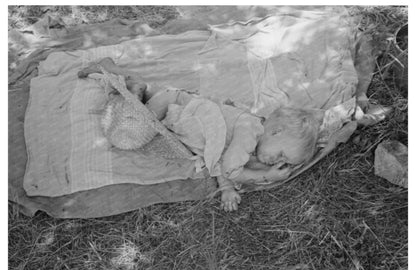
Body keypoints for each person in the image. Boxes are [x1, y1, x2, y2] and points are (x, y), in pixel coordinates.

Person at [78, 58, 322, 211]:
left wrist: (227, 189)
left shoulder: (254, 141)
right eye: (281, 154)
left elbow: (219, 155)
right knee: (128, 134)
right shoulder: (250, 131)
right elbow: (230, 168)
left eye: (282, 163)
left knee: (140, 123)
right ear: (275, 131)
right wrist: (265, 176)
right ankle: (117, 82)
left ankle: (134, 87)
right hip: (177, 105)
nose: (275, 162)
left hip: (177, 108)